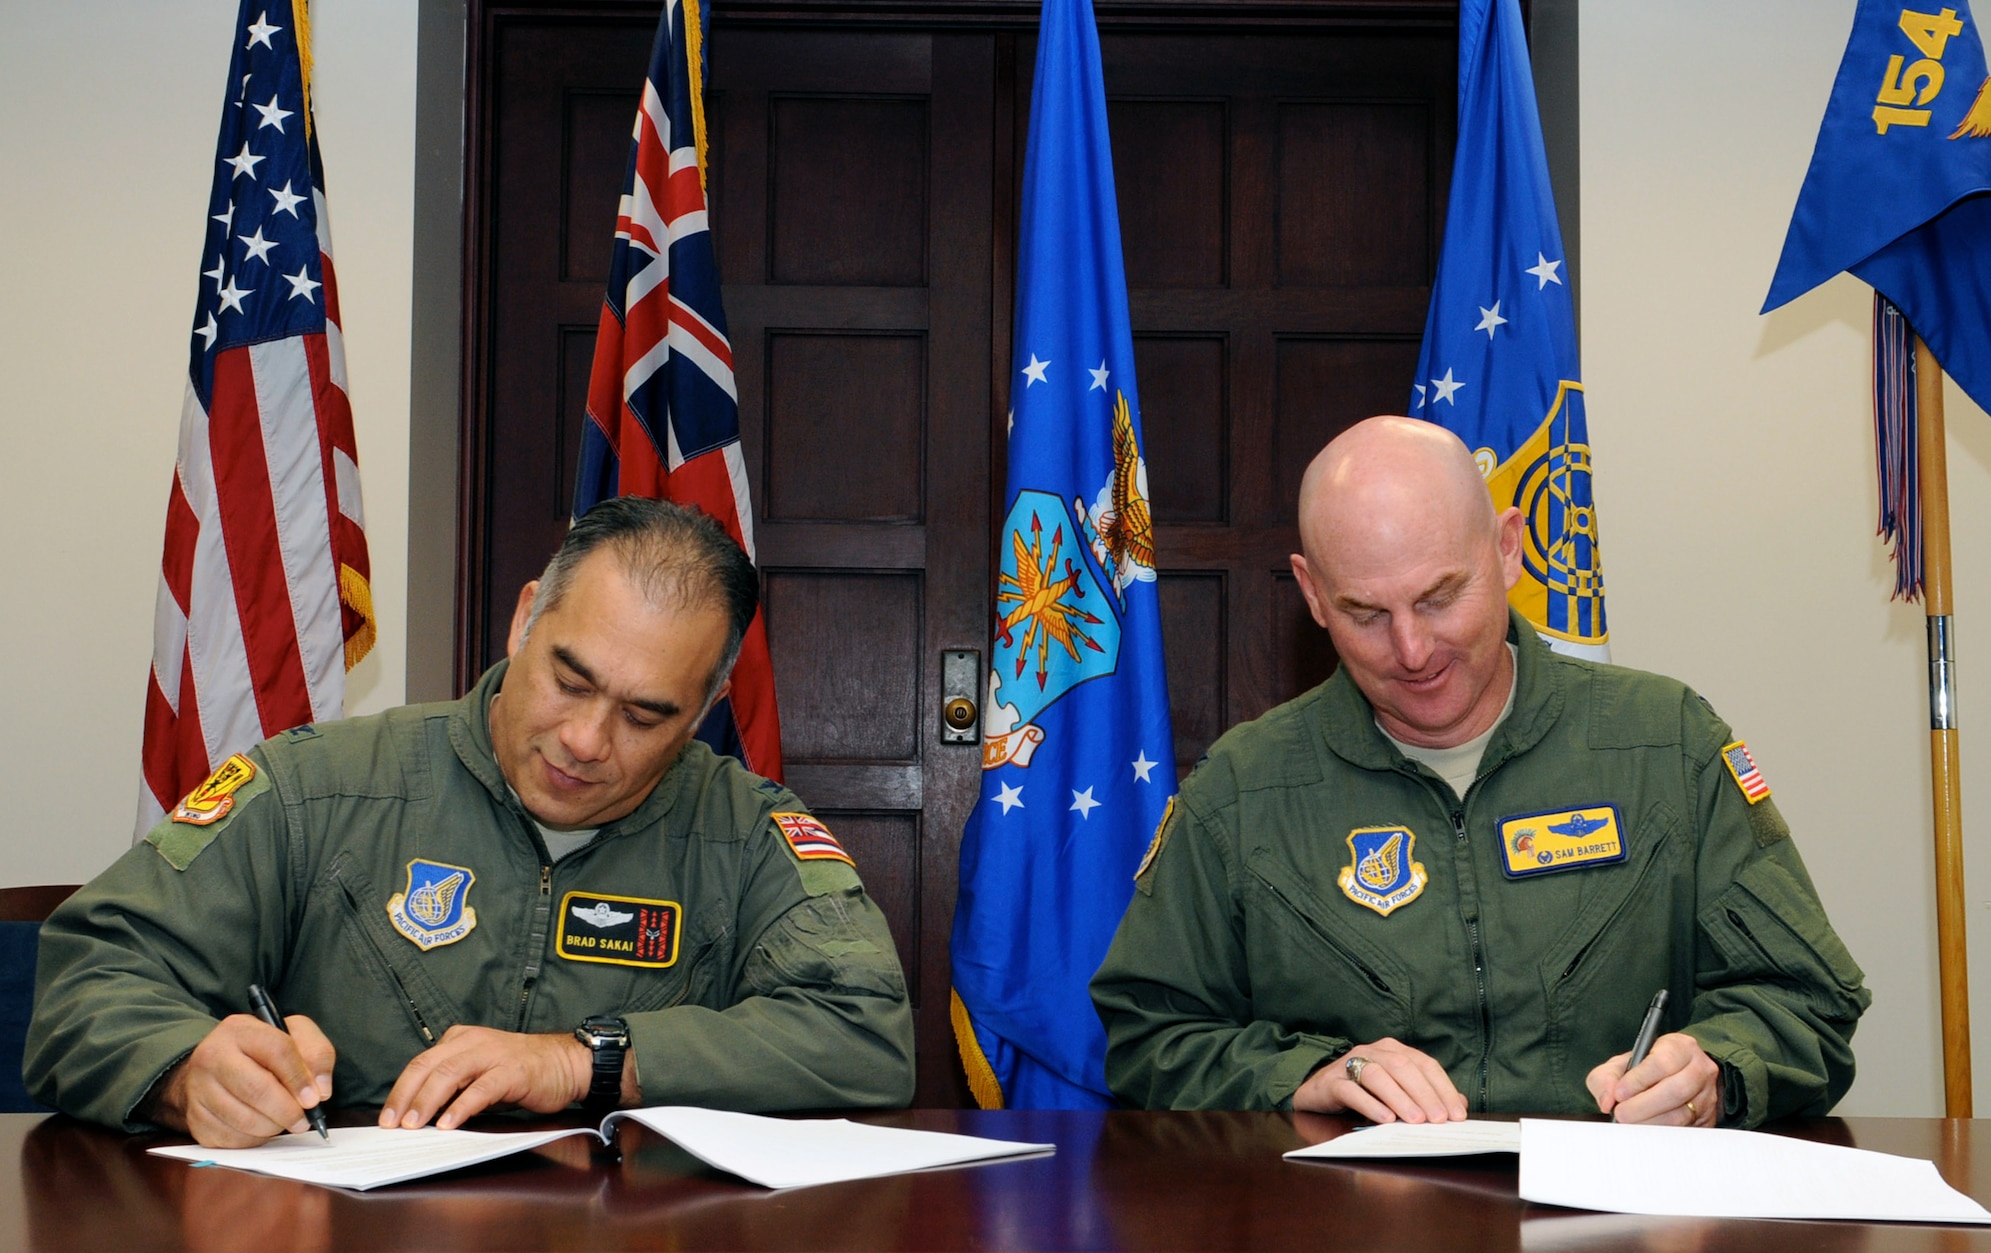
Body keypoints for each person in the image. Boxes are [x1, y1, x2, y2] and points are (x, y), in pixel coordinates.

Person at [28, 498, 914, 1148]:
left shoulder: (746, 835)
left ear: (707, 707)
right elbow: (88, 977)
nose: (584, 739)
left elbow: (866, 1033)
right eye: (570, 679)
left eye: (645, 715)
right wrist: (185, 1072)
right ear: (525, 616)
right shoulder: (317, 786)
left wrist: (589, 1062)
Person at [1090, 416, 1870, 1128]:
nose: (1412, 649)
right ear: (1312, 594)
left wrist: (1714, 1072)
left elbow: (1807, 1000)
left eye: (1440, 597)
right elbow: (1149, 1037)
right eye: (1366, 612)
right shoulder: (1244, 789)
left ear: (1507, 547)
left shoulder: (1665, 745)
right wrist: (1308, 1074)